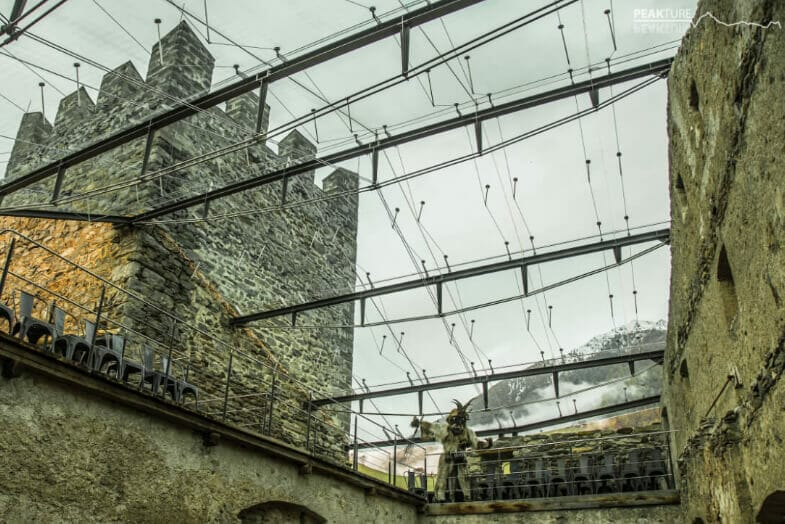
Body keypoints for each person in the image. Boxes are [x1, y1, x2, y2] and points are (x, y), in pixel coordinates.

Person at [411, 399, 492, 501]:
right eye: (455, 421)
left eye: (461, 421)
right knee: (443, 476)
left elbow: (476, 443)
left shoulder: (468, 432)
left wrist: (486, 444)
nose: (458, 424)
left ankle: (466, 496)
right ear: (451, 420)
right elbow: (431, 427)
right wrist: (419, 423)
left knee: (463, 477)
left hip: (461, 457)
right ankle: (440, 496)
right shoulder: (444, 429)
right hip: (447, 457)